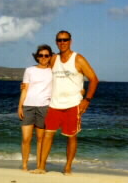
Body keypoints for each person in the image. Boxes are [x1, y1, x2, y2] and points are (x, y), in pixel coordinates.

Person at [33, 30, 99, 175]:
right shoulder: (54, 59)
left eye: (65, 40)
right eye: (59, 40)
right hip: (54, 104)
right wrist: (27, 84)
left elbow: (94, 79)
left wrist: (86, 100)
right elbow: (41, 70)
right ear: (56, 42)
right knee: (47, 135)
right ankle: (41, 167)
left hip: (73, 104)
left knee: (71, 137)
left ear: (71, 41)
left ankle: (68, 167)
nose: (62, 43)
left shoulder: (78, 59)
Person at [18, 45, 53, 171]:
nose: (43, 58)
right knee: (26, 138)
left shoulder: (53, 71)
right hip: (28, 106)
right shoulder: (29, 70)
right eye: (41, 55)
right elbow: (25, 89)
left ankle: (39, 166)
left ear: (50, 57)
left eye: (46, 55)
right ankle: (24, 166)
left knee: (40, 139)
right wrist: (20, 106)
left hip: (44, 107)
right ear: (37, 56)